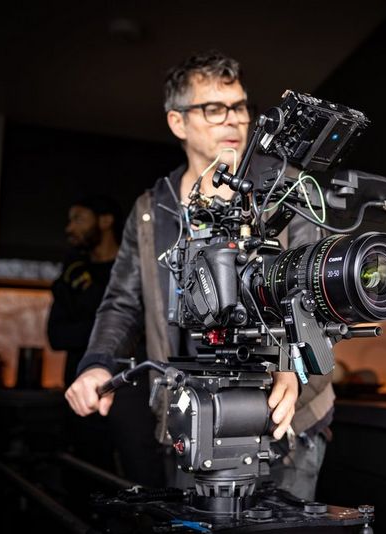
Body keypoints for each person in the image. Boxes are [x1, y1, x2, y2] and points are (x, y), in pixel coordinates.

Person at [64, 51, 335, 500]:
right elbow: (122, 302)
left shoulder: (287, 188)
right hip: (192, 423)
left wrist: (293, 369)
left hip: (288, 421)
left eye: (240, 106)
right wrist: (97, 365)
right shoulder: (153, 210)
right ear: (177, 122)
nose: (233, 120)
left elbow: (319, 289)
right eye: (214, 109)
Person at [48, 196, 164, 487]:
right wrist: (112, 330)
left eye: (78, 218)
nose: (69, 227)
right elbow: (56, 335)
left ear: (106, 220)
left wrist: (121, 321)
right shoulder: (72, 276)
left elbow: (153, 327)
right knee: (85, 477)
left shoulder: (136, 274)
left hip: (135, 392)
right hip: (82, 392)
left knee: (142, 475)